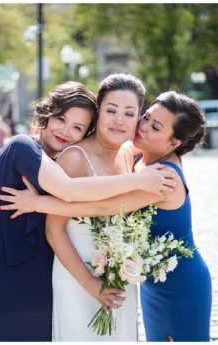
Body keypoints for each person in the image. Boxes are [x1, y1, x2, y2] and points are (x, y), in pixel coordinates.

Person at [0, 81, 177, 341]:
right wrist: (139, 181)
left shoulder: (60, 159)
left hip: (36, 271)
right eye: (61, 119)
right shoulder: (22, 147)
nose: (66, 131)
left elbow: (98, 198)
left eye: (78, 127)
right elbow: (70, 190)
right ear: (47, 115)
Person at [0, 91, 211, 341]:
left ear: (174, 143)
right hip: (150, 284)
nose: (141, 126)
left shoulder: (166, 178)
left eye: (155, 127)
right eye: (145, 117)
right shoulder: (140, 158)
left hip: (181, 284)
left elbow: (102, 207)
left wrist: (38, 203)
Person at [45, 74, 148, 341]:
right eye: (111, 110)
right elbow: (53, 230)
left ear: (138, 117)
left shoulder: (128, 154)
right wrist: (91, 284)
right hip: (77, 274)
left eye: (129, 113)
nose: (119, 120)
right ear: (98, 111)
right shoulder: (75, 158)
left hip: (120, 275)